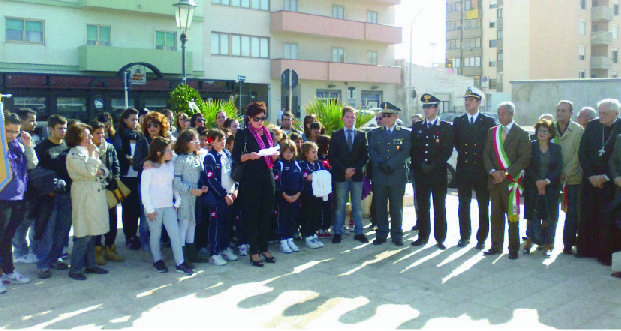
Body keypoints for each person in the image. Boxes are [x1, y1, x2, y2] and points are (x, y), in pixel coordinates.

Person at [232, 102, 278, 267]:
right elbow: (236, 156)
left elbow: (272, 155)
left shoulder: (268, 133)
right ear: (249, 118)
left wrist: (274, 155)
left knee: (266, 214)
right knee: (252, 215)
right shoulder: (243, 134)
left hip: (267, 177)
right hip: (250, 180)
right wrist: (248, 156)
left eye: (263, 118)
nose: (260, 122)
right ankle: (254, 251)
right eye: (257, 118)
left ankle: (264, 248)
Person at [483, 102, 531, 260]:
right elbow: (487, 155)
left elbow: (524, 158)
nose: (500, 116)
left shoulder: (521, 133)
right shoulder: (493, 132)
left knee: (512, 216)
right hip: (495, 181)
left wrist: (506, 173)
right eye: (498, 113)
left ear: (511, 114)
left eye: (503, 113)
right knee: (495, 216)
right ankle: (496, 246)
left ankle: (513, 248)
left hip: (511, 182)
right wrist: (492, 172)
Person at [141, 137, 193, 275]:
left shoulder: (170, 166)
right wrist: (149, 210)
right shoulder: (148, 169)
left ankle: (180, 262)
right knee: (155, 234)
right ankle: (157, 260)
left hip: (169, 206)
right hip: (154, 209)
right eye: (168, 150)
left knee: (174, 234)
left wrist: (177, 201)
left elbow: (173, 185)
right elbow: (144, 192)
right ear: (159, 153)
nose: (171, 153)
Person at [452, 87, 496, 249]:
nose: (467, 103)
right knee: (463, 205)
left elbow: (491, 146)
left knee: (483, 205)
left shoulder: (488, 122)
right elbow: (456, 143)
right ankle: (465, 236)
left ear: (478, 102)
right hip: (464, 168)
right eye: (465, 100)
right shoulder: (459, 121)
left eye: (470, 100)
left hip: (481, 170)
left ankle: (482, 237)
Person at [65, 123, 110, 280]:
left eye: (89, 135)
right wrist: (93, 161)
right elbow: (89, 171)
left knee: (92, 231)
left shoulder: (89, 151)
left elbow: (104, 171)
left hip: (94, 193)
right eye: (85, 135)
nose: (89, 138)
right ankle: (76, 268)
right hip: (83, 195)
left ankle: (90, 264)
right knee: (83, 233)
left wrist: (98, 169)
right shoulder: (74, 154)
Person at [579, 99, 621, 265]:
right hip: (591, 180)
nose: (601, 116)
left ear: (616, 114)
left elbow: (617, 160)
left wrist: (606, 176)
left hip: (611, 183)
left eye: (605, 113)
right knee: (589, 213)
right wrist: (591, 175)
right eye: (600, 112)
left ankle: (604, 253)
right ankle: (587, 249)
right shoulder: (592, 126)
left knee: (607, 218)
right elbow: (583, 153)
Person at [410, 94, 454, 249]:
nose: (426, 110)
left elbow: (447, 150)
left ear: (437, 108)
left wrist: (433, 165)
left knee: (439, 206)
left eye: (430, 107)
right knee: (422, 206)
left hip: (437, 173)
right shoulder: (417, 127)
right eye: (424, 107)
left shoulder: (446, 127)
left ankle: (440, 237)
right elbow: (414, 149)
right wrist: (421, 164)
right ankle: (423, 236)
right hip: (421, 173)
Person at [0, 113, 38, 292]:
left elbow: (32, 165)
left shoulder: (17, 145)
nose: (12, 135)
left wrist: (28, 146)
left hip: (17, 197)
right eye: (8, 131)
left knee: (7, 238)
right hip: (2, 197)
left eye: (16, 131)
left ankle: (8, 270)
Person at [368, 105, 411, 246]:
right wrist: (381, 164)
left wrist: (390, 164)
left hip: (396, 174)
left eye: (389, 116)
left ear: (396, 117)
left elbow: (405, 152)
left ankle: (397, 234)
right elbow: (372, 151)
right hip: (380, 175)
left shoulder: (405, 133)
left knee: (396, 206)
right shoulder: (374, 133)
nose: (385, 118)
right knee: (380, 205)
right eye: (384, 115)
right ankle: (381, 233)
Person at [34, 115, 71, 279]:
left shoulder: (67, 146)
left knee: (62, 230)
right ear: (51, 129)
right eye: (60, 128)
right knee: (47, 231)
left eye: (65, 128)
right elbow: (36, 173)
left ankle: (56, 258)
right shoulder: (41, 148)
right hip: (49, 197)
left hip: (67, 195)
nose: (63, 131)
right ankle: (43, 264)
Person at [199, 129, 239, 265]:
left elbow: (234, 173)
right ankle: (214, 253)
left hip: (231, 196)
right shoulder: (209, 157)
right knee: (216, 226)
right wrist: (224, 195)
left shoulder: (227, 154)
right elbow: (211, 180)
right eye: (218, 140)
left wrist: (235, 190)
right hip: (218, 198)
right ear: (211, 142)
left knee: (227, 224)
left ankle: (225, 248)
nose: (222, 142)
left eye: (223, 139)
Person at [329, 106, 369, 244]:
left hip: (356, 176)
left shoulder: (361, 135)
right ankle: (337, 232)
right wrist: (345, 170)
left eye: (353, 117)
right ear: (342, 118)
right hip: (341, 176)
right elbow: (332, 157)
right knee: (340, 205)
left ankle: (359, 232)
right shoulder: (336, 135)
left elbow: (365, 155)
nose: (350, 120)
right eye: (348, 117)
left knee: (357, 206)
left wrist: (354, 169)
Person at [523, 119, 562, 257]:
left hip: (550, 187)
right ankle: (528, 243)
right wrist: (537, 181)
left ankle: (546, 245)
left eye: (545, 131)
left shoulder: (556, 149)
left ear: (551, 134)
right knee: (531, 216)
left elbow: (558, 168)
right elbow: (527, 166)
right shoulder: (531, 146)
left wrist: (546, 181)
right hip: (532, 187)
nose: (542, 133)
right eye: (540, 130)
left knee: (547, 217)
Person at [133, 111, 171, 250]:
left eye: (155, 125)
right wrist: (148, 160)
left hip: (163, 184)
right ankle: (145, 244)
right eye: (149, 125)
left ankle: (160, 242)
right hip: (146, 184)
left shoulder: (166, 141)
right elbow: (136, 165)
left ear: (161, 126)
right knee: (146, 216)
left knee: (162, 215)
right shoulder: (143, 141)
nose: (152, 128)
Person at [173, 129, 210, 266]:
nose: (197, 143)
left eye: (197, 140)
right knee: (184, 224)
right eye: (193, 141)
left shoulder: (198, 157)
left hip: (197, 198)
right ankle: (182, 256)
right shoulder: (180, 159)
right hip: (185, 197)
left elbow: (202, 175)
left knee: (193, 224)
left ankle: (192, 252)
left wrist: (204, 186)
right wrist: (191, 189)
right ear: (185, 142)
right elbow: (176, 182)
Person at [553, 100, 584, 255]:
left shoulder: (578, 130)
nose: (559, 113)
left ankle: (568, 243)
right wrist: (555, 173)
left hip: (572, 177)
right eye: (558, 110)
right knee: (550, 210)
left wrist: (565, 172)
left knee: (572, 212)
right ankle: (545, 242)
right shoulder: (550, 128)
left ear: (571, 113)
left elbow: (579, 155)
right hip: (552, 177)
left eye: (563, 110)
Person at [90, 121, 124, 265]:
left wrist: (115, 179)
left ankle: (110, 247)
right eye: (97, 132)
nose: (101, 135)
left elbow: (115, 165)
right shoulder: (87, 149)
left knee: (112, 219)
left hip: (109, 188)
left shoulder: (109, 148)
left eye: (103, 132)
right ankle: (97, 250)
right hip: (93, 189)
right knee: (97, 220)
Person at [111, 108, 142, 250]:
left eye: (136, 119)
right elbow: (119, 153)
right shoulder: (119, 135)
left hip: (139, 176)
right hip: (125, 176)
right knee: (128, 208)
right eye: (132, 119)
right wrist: (131, 160)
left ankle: (137, 234)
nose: (135, 122)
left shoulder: (140, 134)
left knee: (137, 207)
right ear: (125, 120)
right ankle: (129, 235)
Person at [12, 109, 40, 264]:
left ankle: (26, 250)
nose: (34, 123)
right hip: (15, 190)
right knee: (20, 224)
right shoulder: (10, 141)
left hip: (29, 188)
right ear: (21, 122)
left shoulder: (28, 139)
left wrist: (28, 146)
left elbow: (33, 163)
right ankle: (20, 252)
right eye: (31, 120)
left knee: (28, 220)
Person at [273, 139, 303, 253]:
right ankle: (283, 240)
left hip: (295, 197)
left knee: (292, 218)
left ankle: (290, 238)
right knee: (283, 218)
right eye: (286, 152)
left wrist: (297, 194)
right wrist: (285, 195)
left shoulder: (296, 164)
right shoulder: (279, 164)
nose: (288, 154)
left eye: (291, 151)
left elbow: (301, 181)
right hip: (283, 198)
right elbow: (277, 181)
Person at [299, 141, 327, 249]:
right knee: (308, 214)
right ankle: (307, 235)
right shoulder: (302, 164)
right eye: (313, 152)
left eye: (316, 152)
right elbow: (307, 177)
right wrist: (314, 176)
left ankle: (313, 233)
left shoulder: (319, 163)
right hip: (307, 194)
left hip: (318, 193)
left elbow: (324, 173)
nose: (315, 154)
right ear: (306, 153)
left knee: (316, 214)